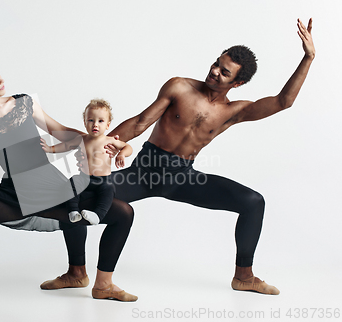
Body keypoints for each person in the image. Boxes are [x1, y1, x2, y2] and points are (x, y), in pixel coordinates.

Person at [44, 18, 315, 295]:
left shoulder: (234, 111)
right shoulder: (179, 87)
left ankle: (244, 276)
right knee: (75, 197)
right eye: (216, 64)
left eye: (224, 72)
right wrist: (99, 148)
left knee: (253, 202)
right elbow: (140, 122)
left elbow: (284, 101)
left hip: (183, 178)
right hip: (144, 172)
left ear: (239, 82)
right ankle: (76, 272)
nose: (214, 72)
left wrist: (308, 58)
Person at [0, 21, 137, 302]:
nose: (0, 80)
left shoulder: (24, 102)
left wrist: (100, 140)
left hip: (54, 188)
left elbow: (59, 130)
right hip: (13, 196)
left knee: (122, 213)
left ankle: (93, 281)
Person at [41, 99, 133, 224]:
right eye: (91, 120)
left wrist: (122, 154)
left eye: (100, 121)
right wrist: (50, 149)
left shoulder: (110, 140)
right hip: (83, 178)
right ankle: (73, 211)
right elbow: (66, 146)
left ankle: (97, 215)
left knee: (109, 190)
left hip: (103, 180)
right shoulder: (81, 139)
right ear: (85, 123)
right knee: (72, 182)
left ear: (107, 125)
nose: (95, 124)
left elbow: (128, 147)